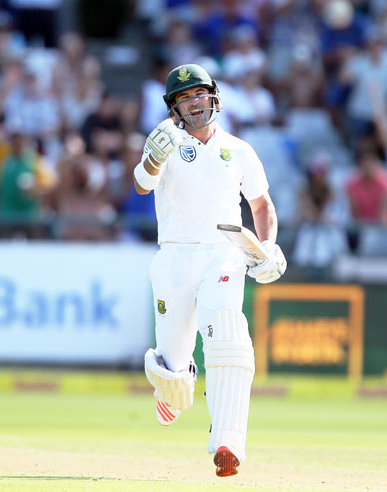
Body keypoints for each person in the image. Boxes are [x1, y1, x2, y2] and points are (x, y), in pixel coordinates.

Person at [133, 64, 287, 477]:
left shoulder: (239, 149)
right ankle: (174, 384)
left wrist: (267, 246)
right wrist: (152, 157)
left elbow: (261, 205)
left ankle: (228, 440)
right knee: (174, 369)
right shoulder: (165, 143)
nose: (195, 103)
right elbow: (142, 184)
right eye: (185, 98)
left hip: (222, 254)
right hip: (173, 259)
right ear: (174, 108)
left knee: (228, 335)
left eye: (200, 94)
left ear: (214, 98)